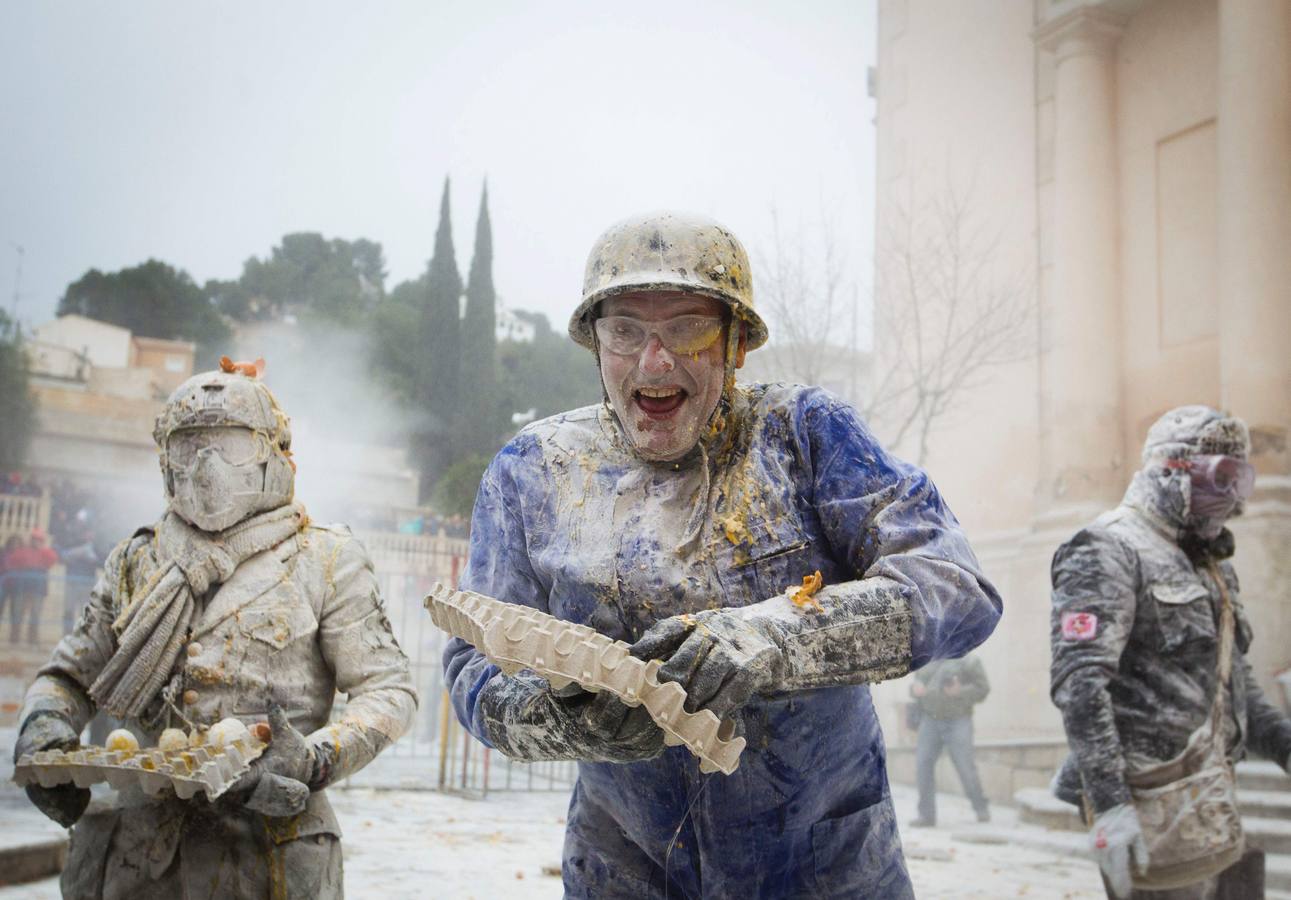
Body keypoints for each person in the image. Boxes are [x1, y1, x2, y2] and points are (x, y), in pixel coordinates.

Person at [443, 212, 1002, 898]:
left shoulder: (802, 436)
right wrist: (556, 718)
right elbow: (475, 668)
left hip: (821, 864)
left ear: (735, 344)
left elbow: (955, 586)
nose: (654, 362)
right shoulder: (532, 471)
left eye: (687, 328)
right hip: (624, 866)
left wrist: (779, 635)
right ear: (596, 346)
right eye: (625, 332)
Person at [13, 365, 418, 900]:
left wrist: (316, 757)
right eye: (189, 447)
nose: (207, 466)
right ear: (165, 461)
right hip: (136, 862)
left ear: (272, 453)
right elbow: (67, 676)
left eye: (231, 445)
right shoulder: (136, 559)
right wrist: (43, 731)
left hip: (267, 854)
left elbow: (389, 690)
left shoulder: (325, 557)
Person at [1050, 405, 1291, 900]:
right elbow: (1081, 684)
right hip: (1148, 805)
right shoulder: (1108, 547)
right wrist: (1111, 807)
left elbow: (1233, 680)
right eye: (1221, 475)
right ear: (1172, 468)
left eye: (1241, 478)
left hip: (1211, 798)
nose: (1231, 495)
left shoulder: (1207, 563)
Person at [908, 652, 991, 827]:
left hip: (958, 720)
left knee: (965, 766)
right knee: (923, 765)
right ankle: (926, 816)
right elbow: (916, 685)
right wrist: (916, 689)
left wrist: (960, 691)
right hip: (930, 719)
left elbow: (983, 688)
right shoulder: (927, 657)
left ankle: (981, 808)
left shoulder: (969, 660)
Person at [5, 527, 59, 644]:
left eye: (39, 539)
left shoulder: (45, 552)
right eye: (35, 539)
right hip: (22, 588)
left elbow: (53, 559)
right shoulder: (23, 550)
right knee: (18, 613)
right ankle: (14, 639)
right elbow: (14, 559)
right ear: (31, 539)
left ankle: (32, 640)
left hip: (39, 590)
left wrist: (42, 549)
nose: (36, 541)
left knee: (35, 615)